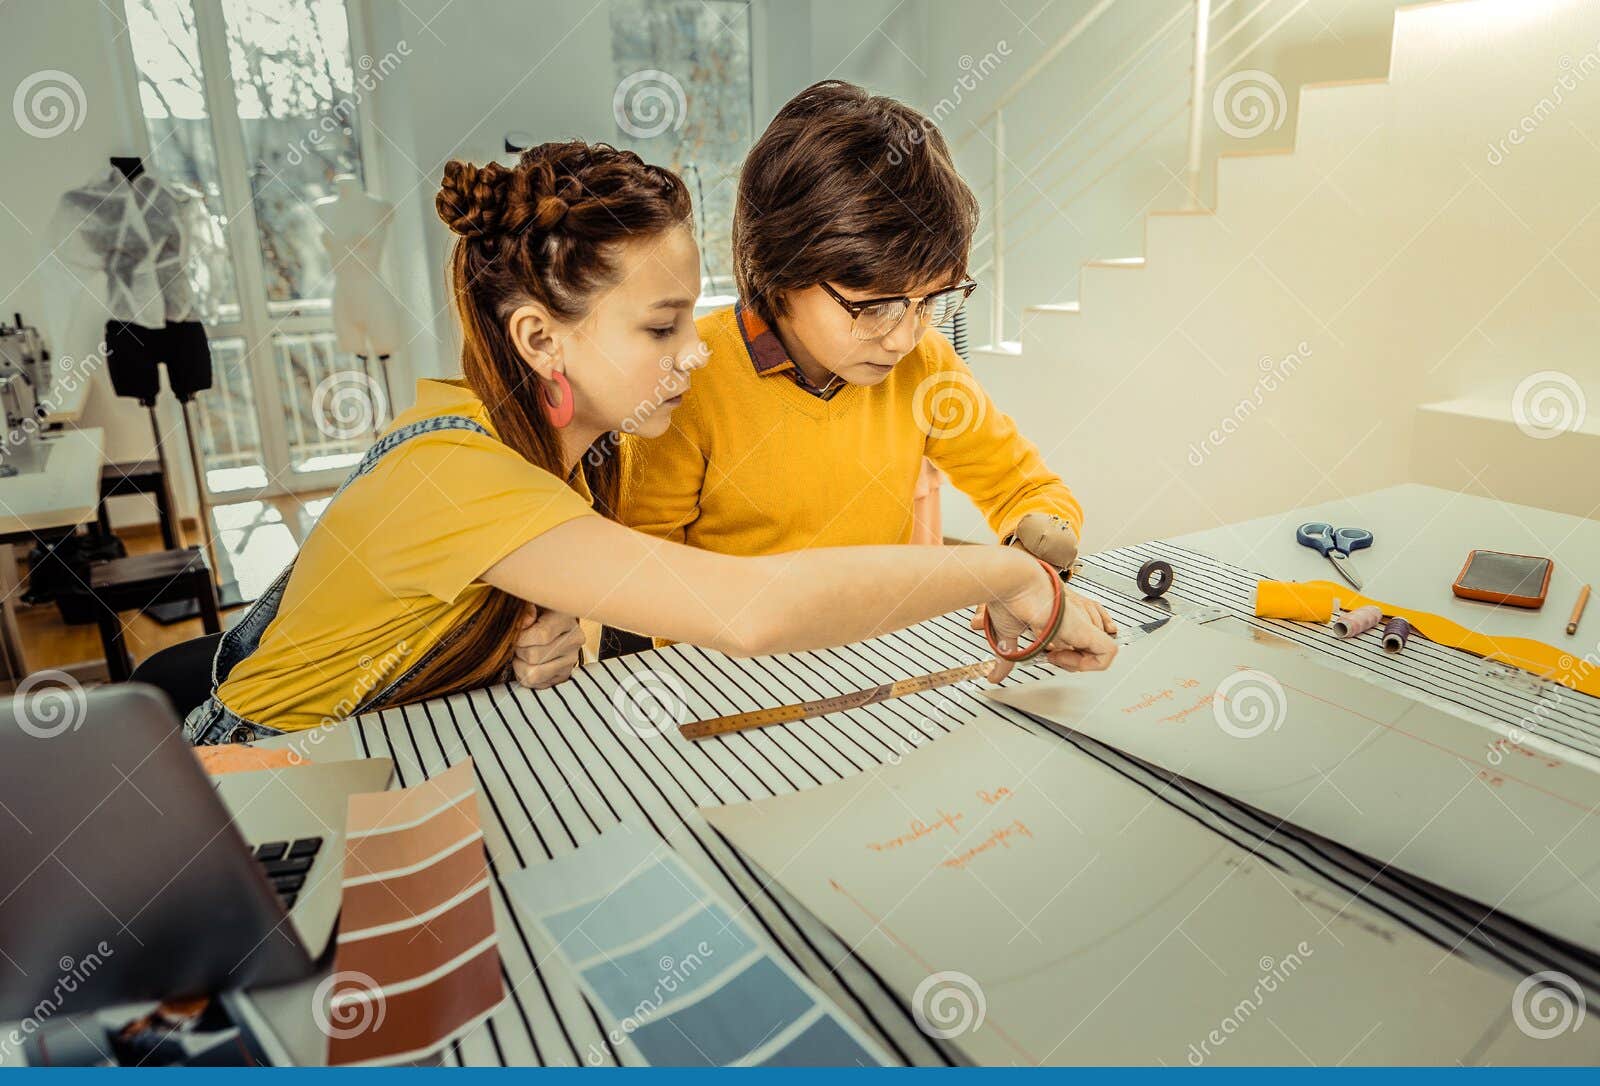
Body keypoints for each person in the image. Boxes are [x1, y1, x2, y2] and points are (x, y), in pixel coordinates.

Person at [182, 141, 1117, 745]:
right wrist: (1011, 576)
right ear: (542, 339)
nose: (693, 355)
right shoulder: (455, 469)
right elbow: (755, 609)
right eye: (663, 328)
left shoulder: (574, 450)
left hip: (377, 750)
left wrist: (548, 633)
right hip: (259, 787)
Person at [620, 81, 1106, 637]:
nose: (903, 339)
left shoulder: (925, 365)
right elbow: (639, 577)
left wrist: (1031, 559)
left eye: (930, 301)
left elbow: (1027, 490)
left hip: (874, 657)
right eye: (876, 306)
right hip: (723, 669)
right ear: (780, 267)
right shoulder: (687, 381)